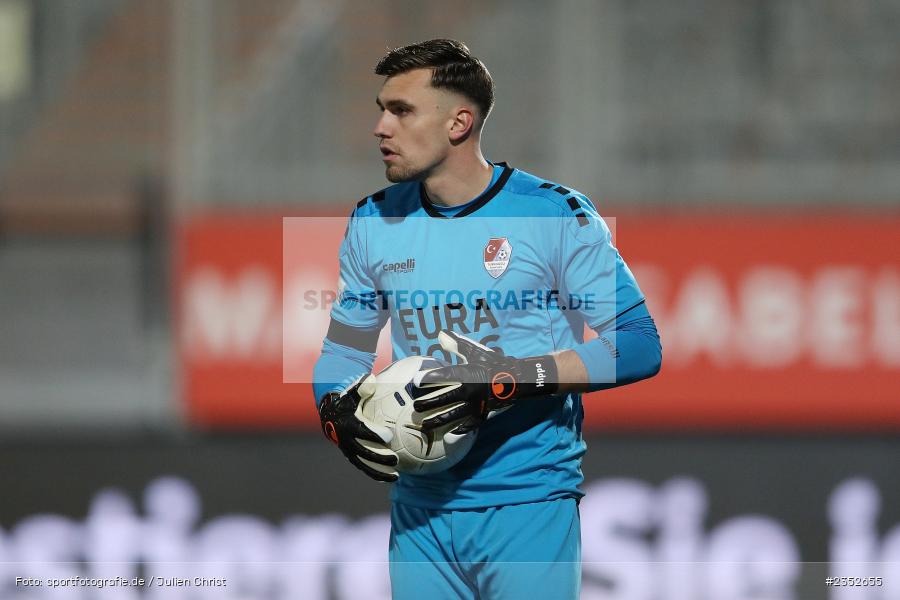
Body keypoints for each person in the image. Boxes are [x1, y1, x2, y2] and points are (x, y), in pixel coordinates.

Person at [312, 39, 661, 600]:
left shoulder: (555, 214)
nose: (380, 126)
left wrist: (508, 379)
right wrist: (332, 407)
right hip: (420, 511)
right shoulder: (374, 218)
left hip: (527, 505)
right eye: (381, 108)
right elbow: (345, 351)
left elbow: (639, 345)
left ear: (459, 122)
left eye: (401, 111)